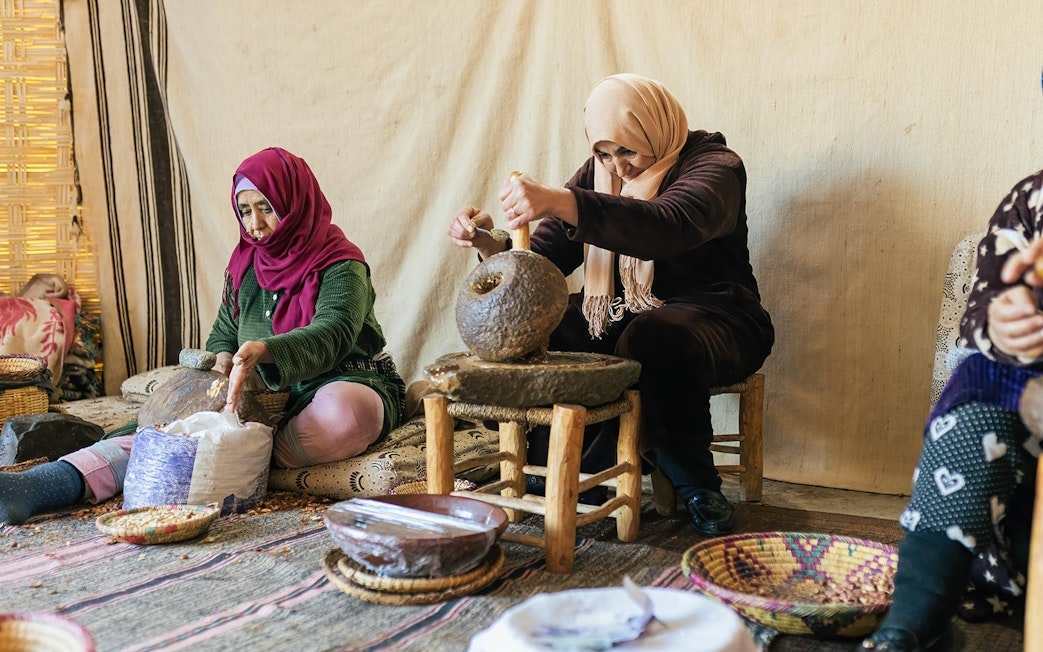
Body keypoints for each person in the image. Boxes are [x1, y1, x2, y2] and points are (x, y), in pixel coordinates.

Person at [0, 147, 405, 525]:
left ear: (295, 202)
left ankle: (244, 456)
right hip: (257, 394)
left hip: (338, 379)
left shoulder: (341, 265)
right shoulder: (245, 263)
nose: (255, 224)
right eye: (245, 210)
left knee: (346, 414)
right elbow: (224, 332)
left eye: (267, 207)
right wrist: (223, 357)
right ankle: (49, 483)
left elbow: (333, 333)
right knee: (169, 427)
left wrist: (267, 350)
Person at [447, 73, 774, 535]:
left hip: (717, 317)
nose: (616, 167)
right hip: (622, 319)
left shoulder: (715, 166)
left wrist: (563, 201)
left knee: (655, 336)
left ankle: (697, 485)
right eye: (603, 153)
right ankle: (555, 468)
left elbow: (668, 224)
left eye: (627, 151)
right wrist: (485, 241)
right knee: (543, 325)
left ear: (655, 130)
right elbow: (539, 267)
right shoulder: (595, 176)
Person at [860, 171, 1043, 651]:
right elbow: (986, 305)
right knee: (976, 411)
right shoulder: (1032, 199)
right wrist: (1007, 324)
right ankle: (913, 622)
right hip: (1027, 391)